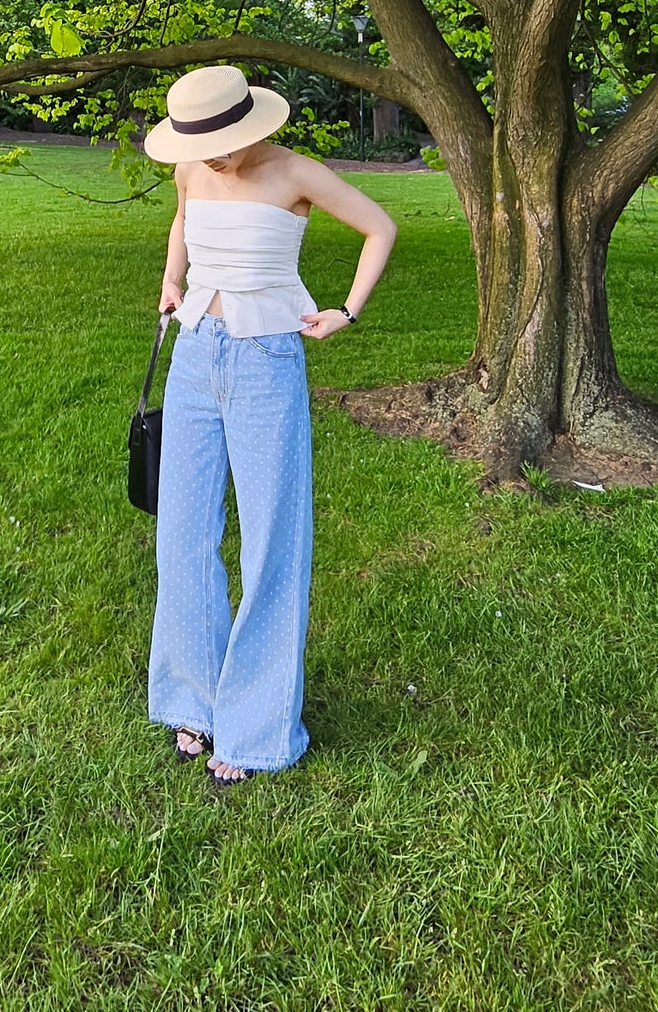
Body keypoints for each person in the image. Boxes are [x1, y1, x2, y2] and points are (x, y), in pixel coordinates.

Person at [142, 63, 397, 790]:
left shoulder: (295, 172)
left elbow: (379, 225)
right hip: (194, 355)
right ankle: (194, 697)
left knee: (270, 542)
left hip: (265, 360)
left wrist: (346, 309)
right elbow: (181, 224)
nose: (212, 155)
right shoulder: (190, 169)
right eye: (201, 142)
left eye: (222, 139)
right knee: (182, 536)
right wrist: (171, 277)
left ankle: (255, 727)